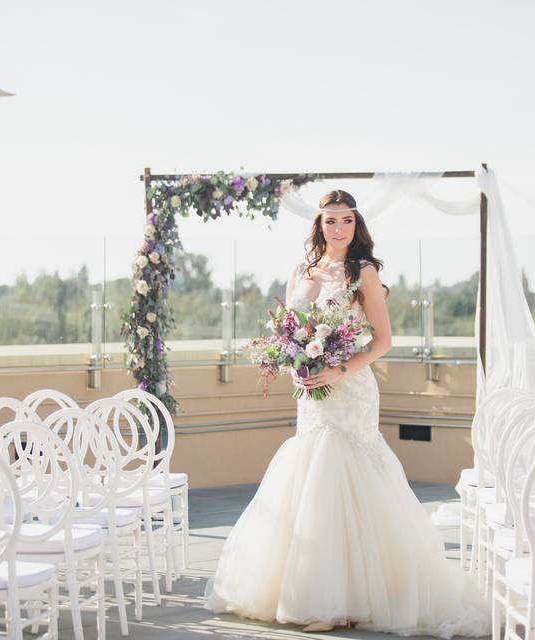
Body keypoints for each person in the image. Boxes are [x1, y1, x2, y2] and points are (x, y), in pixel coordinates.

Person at [204, 190, 489, 637]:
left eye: (347, 221)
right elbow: (289, 331)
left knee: (346, 476)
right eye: (331, 221)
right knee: (311, 477)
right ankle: (316, 593)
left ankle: (350, 600)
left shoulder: (364, 272)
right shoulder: (301, 269)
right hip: (309, 392)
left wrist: (337, 369)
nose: (339, 229)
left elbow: (382, 341)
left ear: (357, 226)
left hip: (350, 388)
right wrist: (296, 364)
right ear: (318, 225)